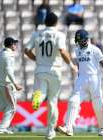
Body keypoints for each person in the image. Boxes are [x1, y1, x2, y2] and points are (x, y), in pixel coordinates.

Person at [24, 12, 78, 140]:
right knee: (53, 102)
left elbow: (26, 50)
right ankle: (50, 132)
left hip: (40, 70)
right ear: (56, 22)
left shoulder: (36, 33)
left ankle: (38, 98)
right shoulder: (59, 35)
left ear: (44, 22)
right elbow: (62, 51)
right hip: (54, 71)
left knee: (41, 93)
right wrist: (71, 65)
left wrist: (37, 59)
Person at [57, 29, 103, 137]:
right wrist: (78, 77)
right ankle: (68, 128)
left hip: (94, 79)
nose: (78, 42)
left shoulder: (95, 49)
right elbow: (79, 64)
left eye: (80, 40)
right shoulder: (77, 50)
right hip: (81, 79)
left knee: (98, 104)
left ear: (86, 39)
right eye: (77, 40)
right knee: (73, 101)